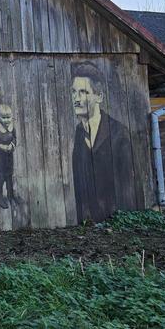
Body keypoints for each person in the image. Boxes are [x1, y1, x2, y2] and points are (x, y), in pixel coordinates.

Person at [71, 62, 133, 223]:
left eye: (83, 92)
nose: (76, 99)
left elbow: (128, 186)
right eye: (73, 92)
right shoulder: (79, 133)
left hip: (117, 221)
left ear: (99, 96)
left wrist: (123, 221)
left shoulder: (119, 133)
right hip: (90, 226)